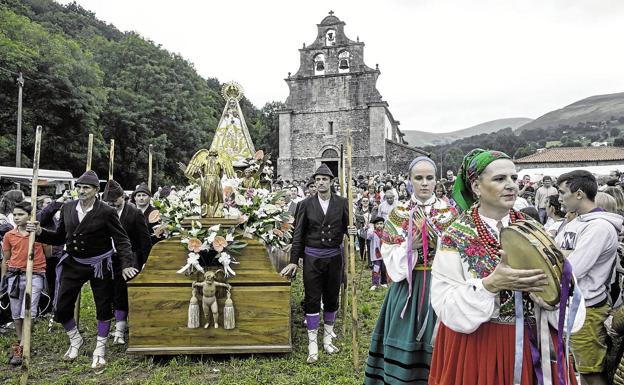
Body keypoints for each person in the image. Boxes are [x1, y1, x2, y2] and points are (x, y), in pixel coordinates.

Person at [430, 149, 585, 385]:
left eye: (513, 177)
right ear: (476, 186)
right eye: (500, 179)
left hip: (536, 343)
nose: (511, 185)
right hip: (482, 345)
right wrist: (490, 285)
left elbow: (563, 280)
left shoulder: (533, 227)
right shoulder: (456, 235)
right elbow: (444, 303)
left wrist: (552, 297)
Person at [27, 170, 138, 369]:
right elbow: (60, 237)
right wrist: (40, 232)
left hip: (100, 265)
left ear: (96, 190)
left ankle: (100, 348)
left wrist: (127, 264)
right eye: (79, 187)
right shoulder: (68, 207)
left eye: (86, 187)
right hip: (74, 263)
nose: (81, 190)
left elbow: (122, 240)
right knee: (61, 308)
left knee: (103, 308)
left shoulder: (106, 211)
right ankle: (75, 340)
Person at [364, 156, 458, 385]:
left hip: (440, 285)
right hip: (408, 286)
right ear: (409, 181)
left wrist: (441, 246)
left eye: (429, 178)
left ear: (437, 181)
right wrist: (411, 248)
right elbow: (388, 251)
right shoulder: (399, 212)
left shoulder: (449, 212)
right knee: (404, 333)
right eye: (419, 178)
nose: (424, 183)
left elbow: (459, 251)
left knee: (439, 342)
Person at [279, 164, 357, 364]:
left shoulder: (342, 203)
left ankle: (327, 339)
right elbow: (298, 235)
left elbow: (349, 227)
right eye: (318, 180)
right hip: (312, 258)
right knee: (313, 299)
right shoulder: (304, 204)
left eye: (325, 179)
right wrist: (294, 261)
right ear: (314, 183)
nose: (321, 183)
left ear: (331, 182)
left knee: (332, 298)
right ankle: (312, 344)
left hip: (334, 258)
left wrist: (353, 230)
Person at [555, 170, 623, 385]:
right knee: (581, 370)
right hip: (572, 308)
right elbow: (556, 256)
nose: (559, 198)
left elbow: (573, 268)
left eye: (562, 192)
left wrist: (559, 258)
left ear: (579, 194)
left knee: (591, 373)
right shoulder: (575, 223)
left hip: (588, 309)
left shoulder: (599, 227)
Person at [102, 180, 152, 345]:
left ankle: (121, 330)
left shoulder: (134, 213)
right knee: (109, 293)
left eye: (115, 201)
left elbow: (145, 241)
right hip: (108, 258)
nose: (112, 204)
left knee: (124, 292)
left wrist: (146, 262)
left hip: (131, 258)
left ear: (122, 197)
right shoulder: (103, 211)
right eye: (109, 202)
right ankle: (116, 325)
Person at [1, 202, 49, 365]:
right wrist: (4, 278)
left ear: (30, 215)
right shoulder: (9, 235)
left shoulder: (37, 234)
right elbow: (6, 259)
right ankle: (22, 342)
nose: (16, 217)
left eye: (20, 214)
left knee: (28, 311)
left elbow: (48, 253)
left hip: (35, 274)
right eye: (14, 214)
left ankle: (21, 347)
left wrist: (39, 237)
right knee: (16, 314)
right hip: (14, 276)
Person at [366, 215, 387, 291]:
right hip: (376, 255)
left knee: (384, 269)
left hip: (384, 254)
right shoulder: (373, 233)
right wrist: (370, 228)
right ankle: (375, 283)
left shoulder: (385, 233)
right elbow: (368, 236)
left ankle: (384, 282)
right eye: (377, 224)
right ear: (375, 225)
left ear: (383, 224)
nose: (379, 225)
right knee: (376, 269)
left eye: (381, 224)